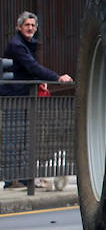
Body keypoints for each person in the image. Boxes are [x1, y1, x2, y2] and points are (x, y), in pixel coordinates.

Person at [2, 12, 73, 189]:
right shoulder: (18, 45)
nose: (30, 28)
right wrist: (57, 77)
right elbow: (32, 67)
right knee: (14, 137)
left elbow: (29, 70)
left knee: (25, 137)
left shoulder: (27, 44)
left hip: (24, 96)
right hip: (15, 97)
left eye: (33, 25)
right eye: (27, 25)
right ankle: (12, 179)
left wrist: (40, 81)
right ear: (19, 27)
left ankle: (24, 177)